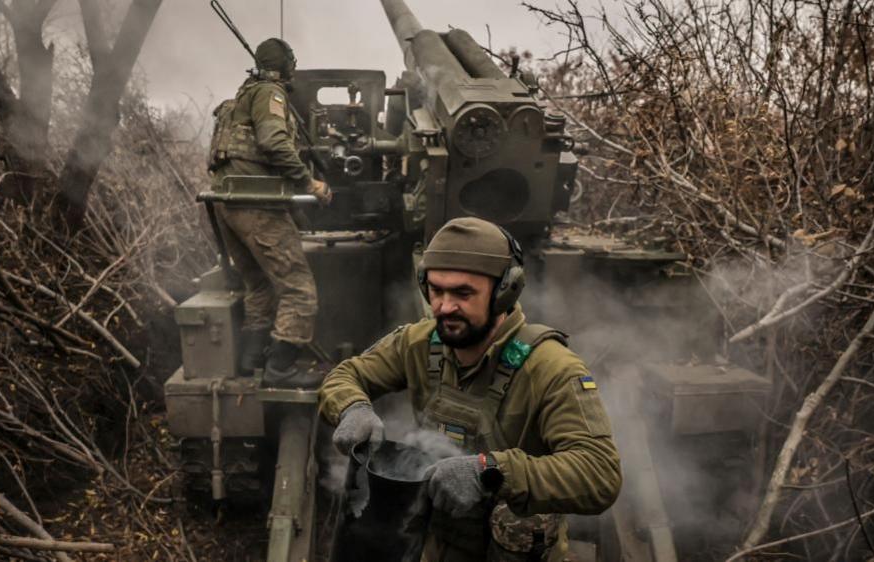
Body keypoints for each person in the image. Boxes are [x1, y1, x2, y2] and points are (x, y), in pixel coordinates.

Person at [318, 217, 622, 561]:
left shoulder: (552, 367)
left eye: (463, 293)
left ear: (504, 291)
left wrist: (490, 472)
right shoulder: (419, 343)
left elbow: (600, 474)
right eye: (436, 290)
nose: (445, 307)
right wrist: (352, 407)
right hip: (434, 542)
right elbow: (346, 375)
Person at [207, 38, 331, 386]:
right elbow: (274, 142)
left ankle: (251, 359)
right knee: (299, 290)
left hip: (227, 205)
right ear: (286, 66)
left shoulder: (238, 100)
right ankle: (281, 369)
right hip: (256, 205)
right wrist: (310, 184)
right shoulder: (270, 95)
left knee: (258, 285)